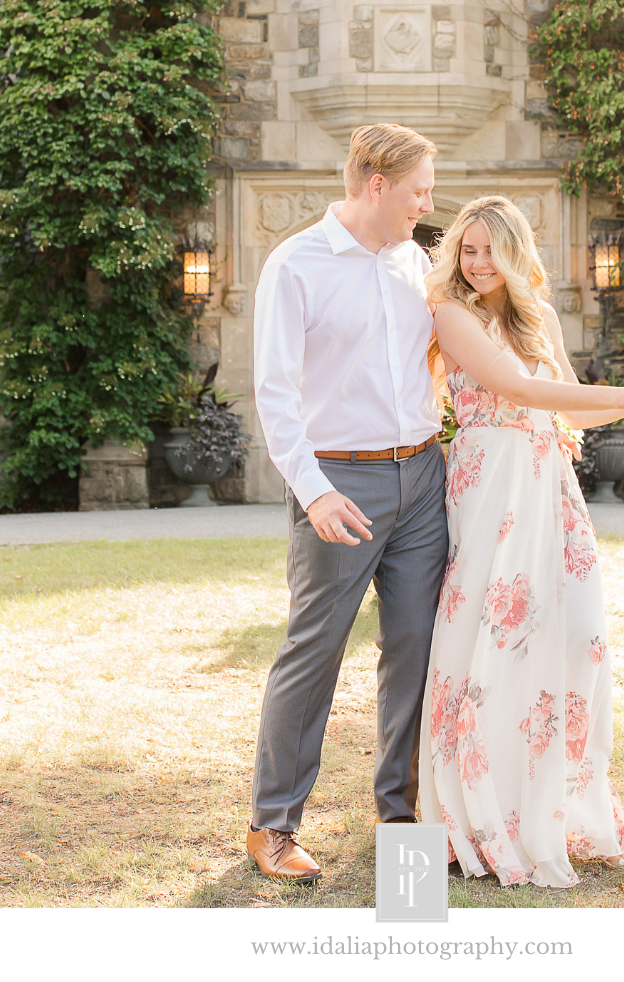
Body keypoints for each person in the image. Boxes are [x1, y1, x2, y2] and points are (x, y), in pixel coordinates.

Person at [419, 195, 624, 888]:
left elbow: (571, 402)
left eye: (490, 249)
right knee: (490, 642)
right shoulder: (452, 315)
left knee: (575, 640)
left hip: (549, 487)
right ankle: (479, 815)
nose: (477, 261)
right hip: (491, 488)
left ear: (516, 253)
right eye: (468, 249)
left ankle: (550, 807)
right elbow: (514, 387)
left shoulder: (542, 317)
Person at [247, 123, 448, 882]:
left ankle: (400, 817)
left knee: (416, 650)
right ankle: (273, 826)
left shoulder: (413, 263)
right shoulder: (294, 265)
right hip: (339, 482)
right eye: (420, 190)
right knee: (314, 651)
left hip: (423, 480)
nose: (427, 205)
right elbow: (274, 393)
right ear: (377, 186)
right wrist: (316, 491)